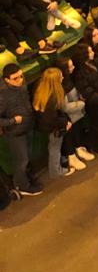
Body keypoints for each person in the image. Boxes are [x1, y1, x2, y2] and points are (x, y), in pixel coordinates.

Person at [0, 63, 42, 196]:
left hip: (27, 127)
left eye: (21, 76)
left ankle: (26, 178)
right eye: (15, 78)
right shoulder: (2, 96)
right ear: (6, 80)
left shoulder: (22, 85)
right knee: (21, 160)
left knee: (26, 157)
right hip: (15, 133)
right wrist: (13, 121)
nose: (20, 80)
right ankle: (22, 186)